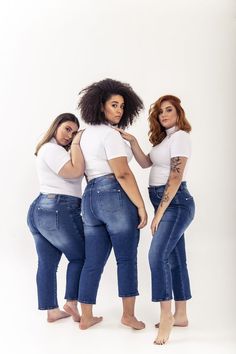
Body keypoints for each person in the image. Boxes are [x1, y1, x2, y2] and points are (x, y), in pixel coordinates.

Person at [116, 95, 195, 345]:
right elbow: (145, 163)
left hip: (176, 203)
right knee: (175, 258)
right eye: (160, 112)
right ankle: (181, 314)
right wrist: (133, 142)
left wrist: (158, 214)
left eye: (168, 110)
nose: (163, 115)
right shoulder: (166, 139)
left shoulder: (181, 136)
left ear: (178, 112)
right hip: (165, 202)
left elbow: (175, 176)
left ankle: (167, 315)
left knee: (156, 256)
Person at [76, 78, 148, 330]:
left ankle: (86, 316)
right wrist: (140, 205)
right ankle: (128, 315)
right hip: (114, 195)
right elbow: (123, 173)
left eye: (121, 106)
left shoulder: (82, 137)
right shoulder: (110, 135)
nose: (119, 110)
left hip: (90, 197)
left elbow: (81, 170)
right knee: (126, 258)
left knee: (92, 260)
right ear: (100, 106)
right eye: (114, 105)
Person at [27, 113, 85, 323]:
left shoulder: (54, 150)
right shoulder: (51, 149)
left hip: (44, 209)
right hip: (57, 209)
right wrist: (78, 143)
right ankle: (71, 301)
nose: (70, 135)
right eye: (67, 129)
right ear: (56, 126)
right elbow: (74, 171)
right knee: (81, 257)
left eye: (74, 132)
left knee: (47, 263)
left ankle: (52, 311)